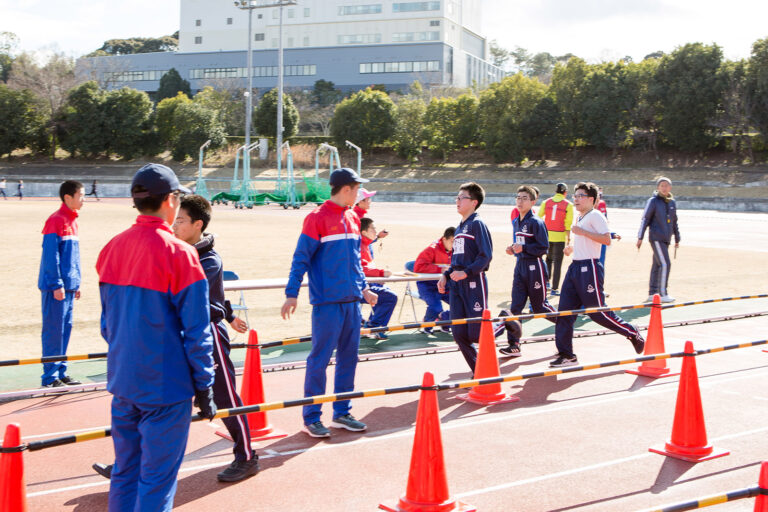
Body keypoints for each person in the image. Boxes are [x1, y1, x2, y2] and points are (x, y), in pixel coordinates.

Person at [92, 194, 259, 484]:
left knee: (225, 397)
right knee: (155, 400)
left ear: (198, 225)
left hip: (208, 336)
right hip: (177, 337)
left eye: (181, 221)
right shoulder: (172, 252)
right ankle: (128, 463)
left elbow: (199, 304)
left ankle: (246, 455)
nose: (175, 226)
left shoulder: (208, 259)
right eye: (175, 220)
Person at [96, 163, 217, 510]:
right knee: (157, 479)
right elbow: (197, 331)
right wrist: (205, 384)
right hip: (166, 387)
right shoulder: (181, 254)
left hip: (123, 381)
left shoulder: (111, 248)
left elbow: (108, 324)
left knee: (125, 472)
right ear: (171, 200)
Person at [281, 167, 378, 438]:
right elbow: (301, 257)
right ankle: (312, 417)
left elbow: (356, 263)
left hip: (351, 303)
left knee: (349, 358)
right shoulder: (316, 218)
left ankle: (342, 412)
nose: (360, 194)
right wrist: (291, 293)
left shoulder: (352, 217)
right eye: (358, 189)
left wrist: (365, 289)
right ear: (346, 189)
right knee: (319, 360)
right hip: (326, 304)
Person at [551, 182, 645, 367]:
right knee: (564, 313)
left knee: (597, 312)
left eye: (580, 196)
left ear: (591, 199)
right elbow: (583, 240)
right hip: (575, 267)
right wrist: (572, 247)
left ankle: (631, 331)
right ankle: (567, 355)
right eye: (575, 196)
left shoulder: (596, 215)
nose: (576, 199)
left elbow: (606, 239)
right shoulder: (579, 217)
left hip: (590, 268)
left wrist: (582, 232)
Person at [438, 182, 493, 373]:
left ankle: (507, 322)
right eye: (457, 197)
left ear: (474, 202)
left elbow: (485, 256)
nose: (458, 201)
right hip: (456, 285)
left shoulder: (477, 224)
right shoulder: (460, 228)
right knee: (458, 332)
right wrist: (446, 275)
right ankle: (480, 371)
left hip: (473, 282)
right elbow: (456, 258)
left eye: (462, 198)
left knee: (477, 333)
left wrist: (466, 272)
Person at [500, 186, 557, 358]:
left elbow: (543, 247)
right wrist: (513, 249)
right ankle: (514, 345)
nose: (520, 201)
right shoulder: (517, 221)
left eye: (524, 198)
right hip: (520, 267)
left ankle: (564, 324)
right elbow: (520, 244)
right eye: (518, 197)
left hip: (535, 267)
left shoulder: (537, 222)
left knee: (540, 307)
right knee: (515, 306)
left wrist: (523, 247)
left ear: (533, 202)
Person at [38, 180, 85, 388]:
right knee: (54, 331)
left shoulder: (72, 221)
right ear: (68, 197)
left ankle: (61, 372)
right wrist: (56, 284)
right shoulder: (55, 221)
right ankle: (50, 377)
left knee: (65, 330)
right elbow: (51, 256)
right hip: (55, 287)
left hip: (69, 287)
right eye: (81, 195)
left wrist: (75, 283)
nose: (84, 199)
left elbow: (72, 257)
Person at [636, 177, 680, 303]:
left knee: (657, 264)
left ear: (670, 188)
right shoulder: (653, 201)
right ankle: (662, 293)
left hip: (666, 239)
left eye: (666, 185)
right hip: (656, 238)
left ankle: (652, 293)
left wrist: (677, 237)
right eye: (662, 185)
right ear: (657, 187)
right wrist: (640, 237)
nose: (664, 187)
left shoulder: (672, 202)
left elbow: (674, 221)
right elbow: (645, 219)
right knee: (665, 264)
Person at [360, 217, 399, 339]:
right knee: (390, 297)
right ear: (364, 232)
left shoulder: (365, 244)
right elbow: (361, 269)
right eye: (373, 229)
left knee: (385, 292)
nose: (375, 231)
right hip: (356, 288)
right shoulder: (359, 245)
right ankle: (374, 326)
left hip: (366, 284)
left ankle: (372, 325)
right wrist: (381, 273)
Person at [414, 227, 454, 335]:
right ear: (444, 239)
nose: (454, 245)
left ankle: (444, 320)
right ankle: (427, 323)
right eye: (452, 241)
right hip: (427, 285)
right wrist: (440, 269)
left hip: (445, 285)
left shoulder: (455, 251)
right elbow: (418, 267)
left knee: (462, 304)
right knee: (436, 308)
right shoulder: (431, 249)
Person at [538, 183, 573, 296]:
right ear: (565, 193)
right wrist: (568, 238)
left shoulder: (546, 202)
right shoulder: (568, 205)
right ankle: (555, 288)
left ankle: (547, 282)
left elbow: (538, 216)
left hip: (547, 236)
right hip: (559, 236)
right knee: (558, 262)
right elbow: (568, 223)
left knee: (548, 259)